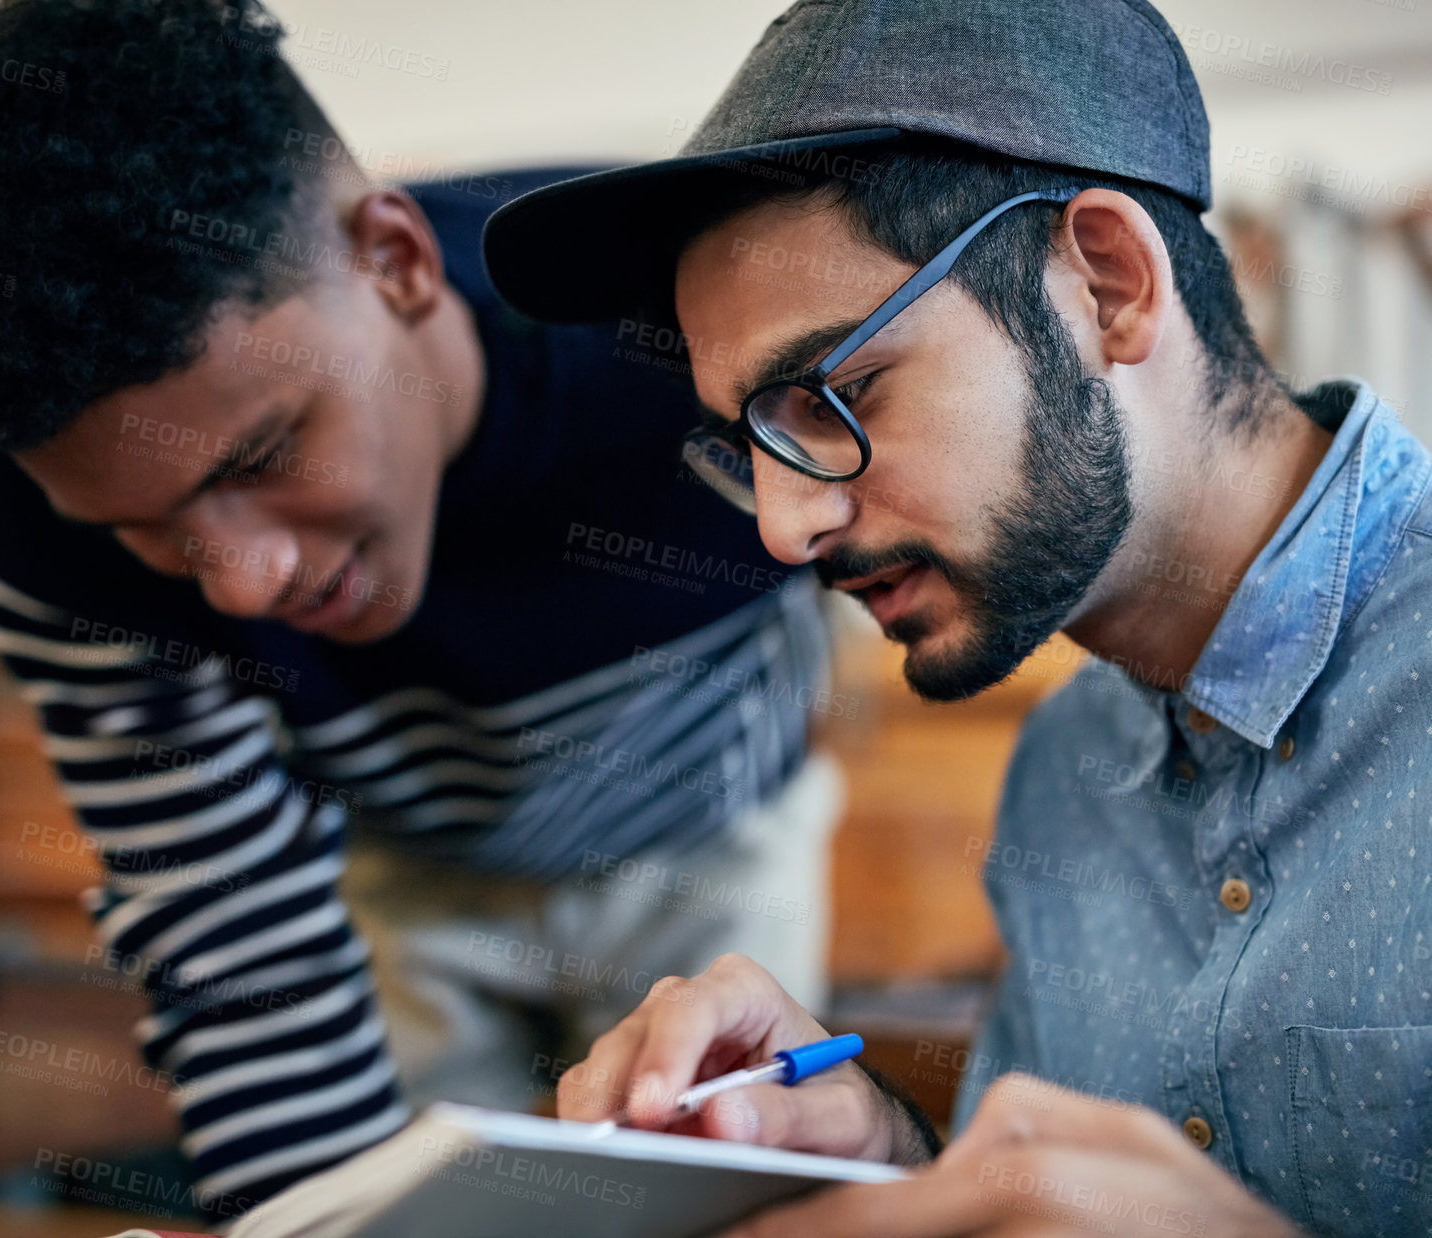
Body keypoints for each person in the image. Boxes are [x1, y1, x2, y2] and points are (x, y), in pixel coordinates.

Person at [0, 0, 844, 1220]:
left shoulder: (692, 332)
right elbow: (230, 926)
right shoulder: (49, 503)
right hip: (402, 873)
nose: (240, 585)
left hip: (711, 848)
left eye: (261, 453)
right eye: (141, 526)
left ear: (397, 262)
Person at [482, 0, 1431, 1233]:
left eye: (834, 393)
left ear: (1108, 282)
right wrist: (885, 1148)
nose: (782, 528)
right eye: (750, 443)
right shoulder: (1065, 770)